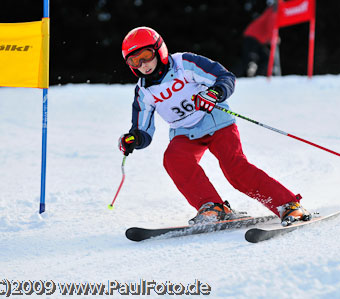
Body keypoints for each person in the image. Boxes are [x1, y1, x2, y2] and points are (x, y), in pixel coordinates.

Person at [118, 26, 310, 225]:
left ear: (160, 50)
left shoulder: (184, 64)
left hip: (216, 121)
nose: (143, 64)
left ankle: (288, 205)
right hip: (185, 132)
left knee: (235, 170)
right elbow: (142, 129)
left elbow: (225, 77)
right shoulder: (143, 91)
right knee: (174, 159)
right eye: (134, 60)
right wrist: (134, 139)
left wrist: (214, 93)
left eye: (146, 55)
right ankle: (213, 207)